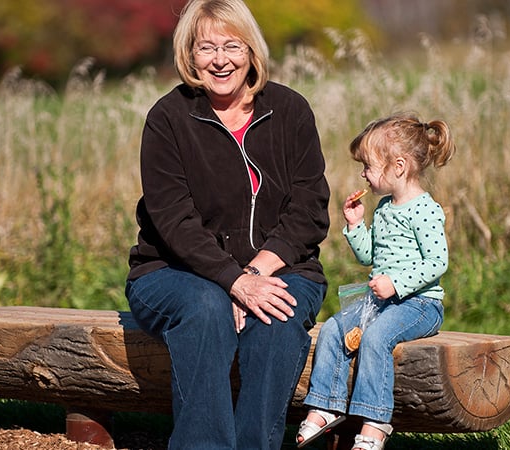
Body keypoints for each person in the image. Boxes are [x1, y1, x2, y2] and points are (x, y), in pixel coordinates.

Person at [123, 0, 331, 448]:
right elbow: (173, 220)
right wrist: (230, 281)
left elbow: (310, 207)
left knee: (278, 316)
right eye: (206, 48)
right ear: (190, 56)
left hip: (280, 270)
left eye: (232, 46)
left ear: (251, 49)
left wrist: (253, 274)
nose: (220, 60)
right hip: (172, 272)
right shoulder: (168, 118)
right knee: (205, 307)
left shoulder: (291, 110)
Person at [296, 113, 456, 449]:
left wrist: (397, 284)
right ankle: (325, 405)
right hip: (381, 301)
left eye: (368, 165)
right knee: (333, 329)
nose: (363, 174)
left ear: (398, 167)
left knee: (376, 338)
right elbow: (370, 257)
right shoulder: (383, 208)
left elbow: (437, 262)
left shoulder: (425, 210)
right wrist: (356, 226)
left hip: (420, 304)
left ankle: (376, 421)